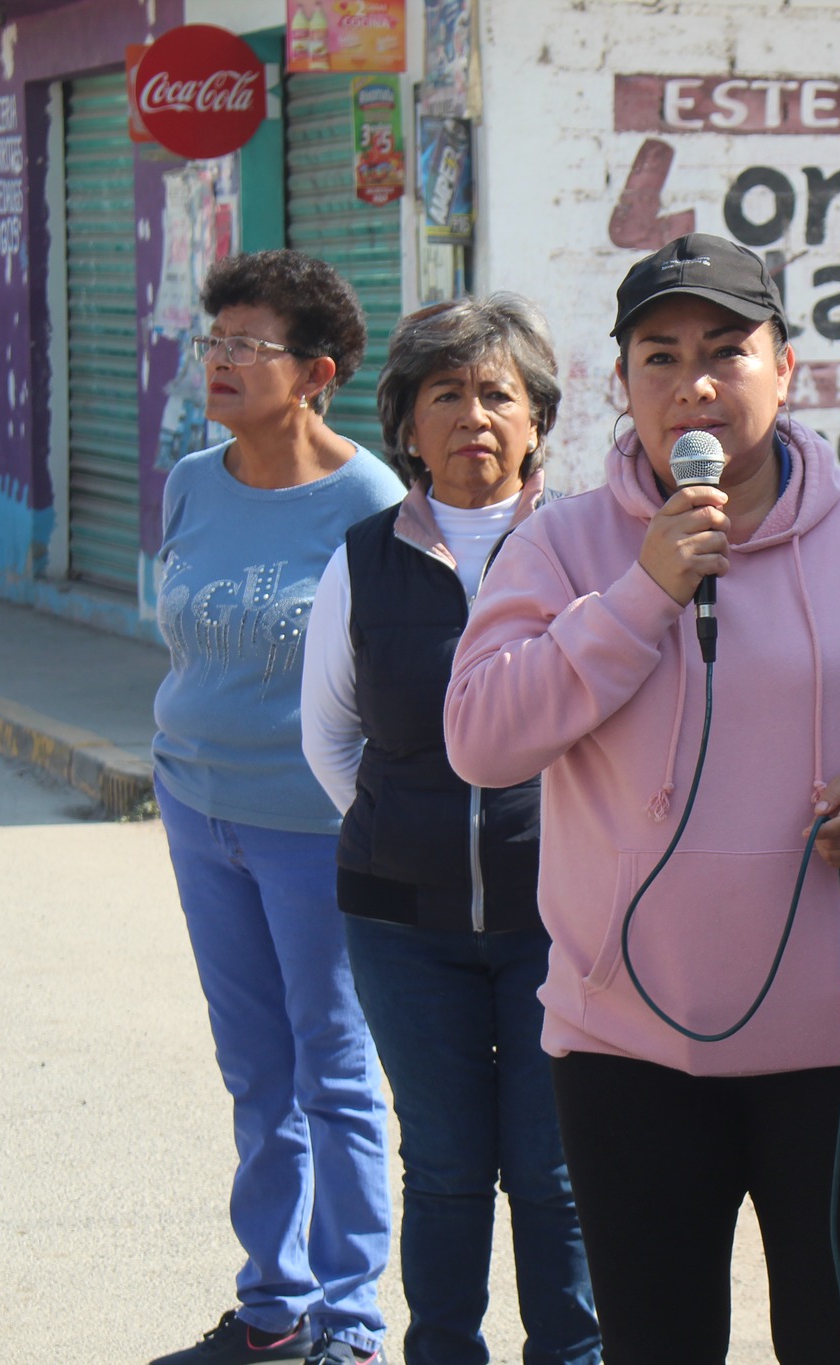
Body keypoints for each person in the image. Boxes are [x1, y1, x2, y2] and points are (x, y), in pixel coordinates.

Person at [444, 234, 840, 1363]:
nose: (691, 385)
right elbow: (480, 737)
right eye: (657, 357)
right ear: (621, 385)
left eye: (725, 351)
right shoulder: (560, 547)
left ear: (786, 369)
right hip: (627, 1050)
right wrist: (643, 594)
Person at [300, 296, 600, 1364]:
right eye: (446, 395)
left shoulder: (585, 550)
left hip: (555, 923)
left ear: (534, 422)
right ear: (406, 425)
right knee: (442, 1166)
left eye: (495, 395)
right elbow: (329, 738)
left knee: (554, 1169)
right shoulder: (362, 560)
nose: (473, 415)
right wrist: (409, 834)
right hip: (401, 926)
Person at [150, 250, 404, 1365]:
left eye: (249, 346)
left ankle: (349, 1325)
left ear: (317, 373)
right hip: (196, 806)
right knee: (253, 1067)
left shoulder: (372, 501)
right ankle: (272, 1307)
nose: (222, 362)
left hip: (314, 824)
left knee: (332, 1067)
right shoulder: (190, 479)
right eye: (215, 341)